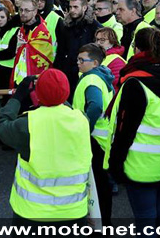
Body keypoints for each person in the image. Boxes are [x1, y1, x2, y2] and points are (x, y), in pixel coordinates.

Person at [104, 27, 160, 231]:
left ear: (137, 49)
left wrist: (115, 164)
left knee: (145, 220)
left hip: (140, 165)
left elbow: (125, 130)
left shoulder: (135, 83)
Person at [0, 69, 92, 226]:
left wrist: (18, 97)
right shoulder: (82, 120)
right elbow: (62, 106)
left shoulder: (27, 125)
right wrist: (57, 94)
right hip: (73, 212)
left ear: (38, 93)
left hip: (32, 214)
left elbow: (1, 126)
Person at [71, 43, 115, 226]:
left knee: (98, 188)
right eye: (78, 59)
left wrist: (84, 128)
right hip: (103, 140)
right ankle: (105, 224)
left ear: (95, 63)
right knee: (102, 187)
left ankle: (101, 226)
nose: (78, 63)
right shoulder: (99, 76)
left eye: (82, 60)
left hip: (94, 140)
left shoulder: (91, 80)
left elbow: (96, 105)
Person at [56, 0, 101, 97]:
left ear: (84, 8)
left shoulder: (94, 27)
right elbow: (60, 50)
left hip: (86, 69)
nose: (72, 10)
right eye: (70, 7)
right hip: (67, 70)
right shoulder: (65, 26)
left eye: (76, 7)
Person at [11, 0, 54, 86]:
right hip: (19, 79)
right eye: (21, 10)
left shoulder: (42, 33)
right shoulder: (21, 30)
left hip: (35, 81)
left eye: (27, 10)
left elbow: (45, 61)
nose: (23, 13)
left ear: (35, 12)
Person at [94, 27, 126, 91]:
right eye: (97, 40)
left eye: (102, 40)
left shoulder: (117, 61)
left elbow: (116, 85)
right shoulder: (98, 56)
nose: (98, 43)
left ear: (112, 41)